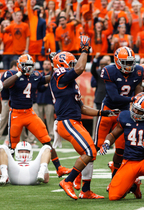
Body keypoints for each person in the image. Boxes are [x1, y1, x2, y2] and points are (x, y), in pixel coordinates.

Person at [50, 36, 117, 200]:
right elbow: (80, 68)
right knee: (89, 151)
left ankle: (85, 190)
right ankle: (68, 181)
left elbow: (82, 107)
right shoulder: (58, 76)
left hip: (75, 121)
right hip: (66, 122)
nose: (73, 67)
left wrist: (103, 113)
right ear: (62, 65)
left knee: (91, 153)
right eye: (70, 64)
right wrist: (85, 50)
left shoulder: (72, 84)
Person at [2, 54, 71, 178]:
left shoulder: (35, 76)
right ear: (19, 66)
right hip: (16, 114)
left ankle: (59, 168)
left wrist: (53, 64)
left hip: (29, 113)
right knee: (12, 146)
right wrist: (19, 73)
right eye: (25, 66)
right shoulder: (11, 74)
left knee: (46, 140)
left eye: (30, 66)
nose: (28, 68)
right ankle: (5, 172)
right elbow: (5, 84)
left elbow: (51, 78)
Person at [99, 93, 144, 202]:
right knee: (113, 196)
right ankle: (134, 185)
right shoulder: (125, 116)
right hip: (128, 162)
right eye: (134, 109)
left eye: (140, 111)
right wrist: (107, 142)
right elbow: (113, 134)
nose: (135, 112)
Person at [95, 46, 144, 180]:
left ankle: (114, 179)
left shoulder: (139, 71)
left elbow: (138, 91)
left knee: (121, 150)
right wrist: (134, 99)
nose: (130, 65)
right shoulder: (109, 71)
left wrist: (139, 100)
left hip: (124, 113)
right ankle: (81, 182)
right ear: (117, 62)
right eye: (126, 62)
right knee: (95, 147)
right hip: (109, 111)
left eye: (131, 62)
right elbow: (114, 97)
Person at [0, 60, 18, 147]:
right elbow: (2, 85)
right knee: (2, 119)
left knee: (16, 121)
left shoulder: (17, 74)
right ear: (14, 66)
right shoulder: (8, 73)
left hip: (15, 100)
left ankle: (9, 140)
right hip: (7, 100)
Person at [36, 60, 55, 141]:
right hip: (39, 100)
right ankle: (41, 135)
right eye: (45, 64)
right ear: (43, 65)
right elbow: (38, 87)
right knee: (40, 121)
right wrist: (44, 86)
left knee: (50, 120)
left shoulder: (53, 75)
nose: (47, 66)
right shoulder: (39, 75)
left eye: (48, 64)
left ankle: (51, 135)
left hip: (49, 101)